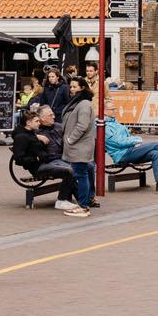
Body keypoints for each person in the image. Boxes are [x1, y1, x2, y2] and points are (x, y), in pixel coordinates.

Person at [13, 104, 80, 209]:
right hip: (38, 167)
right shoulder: (23, 137)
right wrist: (36, 159)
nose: (39, 123)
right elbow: (19, 159)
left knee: (74, 169)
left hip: (45, 162)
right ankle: (62, 200)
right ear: (28, 123)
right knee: (69, 171)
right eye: (36, 121)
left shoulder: (30, 134)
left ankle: (82, 200)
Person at [103, 116, 158, 194]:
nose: (114, 110)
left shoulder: (114, 122)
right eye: (112, 109)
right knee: (156, 145)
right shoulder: (105, 126)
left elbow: (125, 138)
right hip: (122, 154)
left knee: (155, 153)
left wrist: (133, 142)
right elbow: (118, 142)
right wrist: (136, 139)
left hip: (129, 150)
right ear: (105, 111)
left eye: (114, 108)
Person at [60, 82, 97, 218]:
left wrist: (70, 139)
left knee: (81, 175)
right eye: (70, 86)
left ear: (82, 88)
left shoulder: (84, 105)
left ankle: (83, 206)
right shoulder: (80, 103)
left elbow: (82, 125)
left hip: (79, 147)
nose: (71, 89)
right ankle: (84, 204)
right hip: (78, 146)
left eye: (74, 87)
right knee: (81, 174)